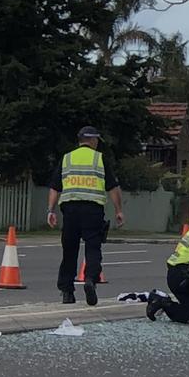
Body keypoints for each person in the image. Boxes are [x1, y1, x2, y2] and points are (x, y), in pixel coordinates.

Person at [47, 126, 124, 306]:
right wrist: (119, 210)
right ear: (94, 140)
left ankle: (67, 292)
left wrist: (50, 210)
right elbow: (112, 187)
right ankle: (90, 280)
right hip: (93, 211)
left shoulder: (67, 159)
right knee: (93, 248)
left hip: (70, 211)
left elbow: (54, 187)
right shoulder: (100, 159)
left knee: (69, 251)